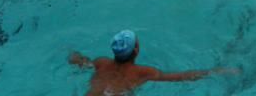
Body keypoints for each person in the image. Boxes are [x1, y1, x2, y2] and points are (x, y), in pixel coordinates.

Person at [68, 30, 232, 95]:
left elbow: (83, 63)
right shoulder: (144, 72)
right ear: (136, 50)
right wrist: (213, 72)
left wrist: (74, 55)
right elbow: (181, 77)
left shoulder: (101, 62)